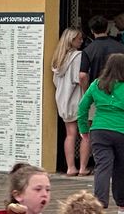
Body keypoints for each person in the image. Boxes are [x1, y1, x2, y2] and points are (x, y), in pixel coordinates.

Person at [78, 53, 124, 213]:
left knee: (102, 167)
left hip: (99, 131)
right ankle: (123, 205)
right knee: (121, 169)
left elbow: (82, 107)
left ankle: (99, 205)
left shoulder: (96, 84)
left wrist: (83, 129)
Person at [51, 27, 91, 176]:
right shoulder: (78, 56)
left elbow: (55, 81)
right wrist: (88, 93)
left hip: (63, 100)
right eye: (79, 38)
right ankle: (83, 168)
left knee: (70, 134)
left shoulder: (58, 58)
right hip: (77, 99)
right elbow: (80, 78)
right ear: (71, 40)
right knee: (85, 134)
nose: (81, 41)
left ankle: (70, 167)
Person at [80, 15, 124, 90]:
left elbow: (82, 76)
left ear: (92, 30)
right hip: (118, 90)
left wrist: (87, 92)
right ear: (107, 29)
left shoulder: (88, 50)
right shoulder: (121, 47)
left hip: (97, 90)